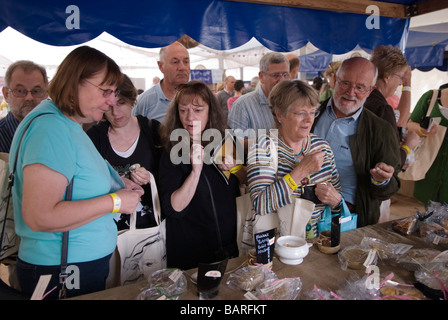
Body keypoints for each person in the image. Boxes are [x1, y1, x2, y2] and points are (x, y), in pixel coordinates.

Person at [9, 46, 144, 299]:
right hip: (61, 270)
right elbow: (40, 216)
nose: (112, 101)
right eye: (105, 91)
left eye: (114, 93)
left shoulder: (62, 122)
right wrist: (115, 201)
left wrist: (117, 183)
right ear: (74, 84)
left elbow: (73, 179)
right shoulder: (51, 128)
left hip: (71, 266)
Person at [158, 81, 242, 270]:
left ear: (210, 111)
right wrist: (195, 172)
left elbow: (245, 183)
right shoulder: (171, 149)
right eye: (183, 110)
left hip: (230, 246)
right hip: (190, 253)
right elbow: (174, 208)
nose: (190, 118)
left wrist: (235, 167)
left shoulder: (224, 138)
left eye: (197, 110)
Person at [313, 57, 401, 227]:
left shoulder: (380, 130)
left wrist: (381, 180)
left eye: (360, 87)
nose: (351, 92)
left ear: (370, 90)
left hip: (350, 218)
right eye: (345, 83)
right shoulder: (311, 114)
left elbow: (392, 186)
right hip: (305, 212)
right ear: (335, 81)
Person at [247, 80, 343, 237]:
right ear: (280, 114)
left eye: (312, 112)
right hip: (280, 244)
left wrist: (335, 199)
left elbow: (337, 193)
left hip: (318, 243)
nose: (308, 119)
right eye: (300, 113)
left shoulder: (322, 147)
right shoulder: (263, 147)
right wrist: (301, 170)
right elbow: (260, 204)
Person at [87, 74, 162, 230]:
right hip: (108, 231)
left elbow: (170, 178)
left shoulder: (153, 130)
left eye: (121, 103)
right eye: (109, 106)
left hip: (151, 229)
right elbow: (86, 184)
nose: (115, 112)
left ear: (132, 100)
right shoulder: (94, 137)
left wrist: (151, 177)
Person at [366, 45, 420, 169]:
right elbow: (392, 163)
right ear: (387, 76)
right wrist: (408, 145)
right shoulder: (382, 109)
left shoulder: (362, 98)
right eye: (400, 77)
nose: (401, 82)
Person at [228, 52, 290, 138]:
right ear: (261, 77)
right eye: (275, 75)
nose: (281, 80)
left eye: (285, 75)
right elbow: (233, 144)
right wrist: (271, 142)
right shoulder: (242, 106)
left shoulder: (294, 102)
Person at [406, 83, 448, 204]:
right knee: (431, 220)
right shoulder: (431, 97)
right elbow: (409, 124)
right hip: (428, 173)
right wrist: (423, 130)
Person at [133, 41, 190, 122]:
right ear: (161, 66)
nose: (182, 67)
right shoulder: (144, 102)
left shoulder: (200, 99)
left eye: (186, 62)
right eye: (175, 62)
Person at [0, 60, 48, 153]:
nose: (29, 98)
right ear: (6, 94)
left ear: (46, 94)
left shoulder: (56, 133)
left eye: (36, 91)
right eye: (20, 91)